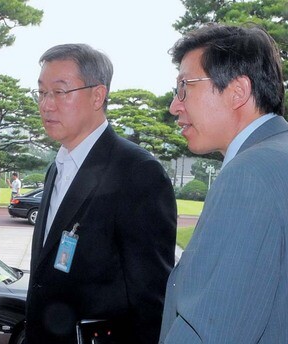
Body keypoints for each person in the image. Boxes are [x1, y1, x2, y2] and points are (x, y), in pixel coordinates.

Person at [159, 23, 288, 343]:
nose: (175, 105)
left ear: (238, 91)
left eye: (185, 86)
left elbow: (210, 329)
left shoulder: (249, 175)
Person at [25, 43, 177, 343]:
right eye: (41, 92)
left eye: (60, 91)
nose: (46, 104)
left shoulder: (138, 173)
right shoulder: (57, 166)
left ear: (98, 95)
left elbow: (151, 300)